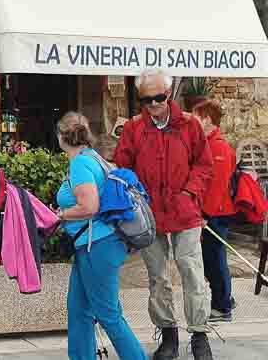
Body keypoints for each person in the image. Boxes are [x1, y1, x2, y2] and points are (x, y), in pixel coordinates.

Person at [113, 69, 213, 360]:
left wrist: (189, 193)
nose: (153, 105)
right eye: (147, 100)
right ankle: (168, 335)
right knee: (158, 277)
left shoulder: (190, 126)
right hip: (150, 215)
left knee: (191, 271)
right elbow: (122, 167)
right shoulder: (134, 129)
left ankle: (199, 334)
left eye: (159, 98)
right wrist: (135, 199)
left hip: (185, 212)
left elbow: (204, 166)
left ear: (169, 95)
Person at [55, 112, 146, 360]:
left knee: (108, 314)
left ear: (61, 137)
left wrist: (61, 215)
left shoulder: (80, 164)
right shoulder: (93, 157)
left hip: (98, 245)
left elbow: (89, 206)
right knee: (79, 310)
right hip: (94, 244)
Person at [192, 100, 237, 323]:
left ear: (207, 119)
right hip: (209, 212)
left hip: (216, 214)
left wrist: (204, 215)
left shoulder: (218, 147)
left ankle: (222, 307)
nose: (193, 120)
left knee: (215, 260)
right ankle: (225, 296)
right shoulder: (206, 144)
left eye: (196, 116)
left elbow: (217, 187)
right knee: (210, 260)